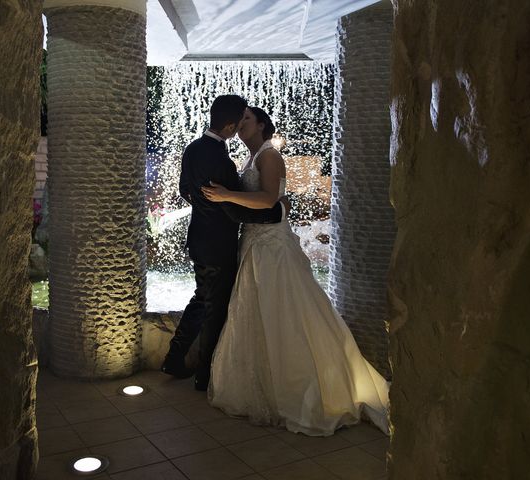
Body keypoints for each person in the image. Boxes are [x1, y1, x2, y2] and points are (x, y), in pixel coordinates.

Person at [201, 106, 390, 435]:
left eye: (247, 119)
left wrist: (227, 195)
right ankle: (265, 388)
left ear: (261, 124)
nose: (241, 124)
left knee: (283, 312)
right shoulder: (252, 157)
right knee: (257, 312)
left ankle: (303, 388)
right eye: (239, 119)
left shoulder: (269, 155)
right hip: (254, 241)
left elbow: (270, 199)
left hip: (272, 245)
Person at [161, 95, 288, 391]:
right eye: (240, 119)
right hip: (218, 244)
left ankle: (174, 356)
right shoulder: (220, 158)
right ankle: (204, 375)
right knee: (214, 308)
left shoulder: (193, 148)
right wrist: (276, 213)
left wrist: (204, 210)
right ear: (230, 126)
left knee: (202, 298)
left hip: (199, 239)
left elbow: (184, 190)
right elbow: (230, 207)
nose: (243, 124)